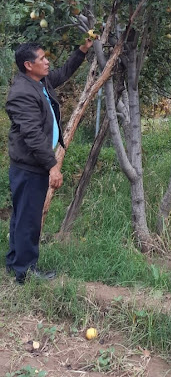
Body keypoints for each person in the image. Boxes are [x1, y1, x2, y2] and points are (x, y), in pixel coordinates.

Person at [5, 39, 93, 284]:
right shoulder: (21, 93)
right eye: (42, 59)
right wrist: (52, 166)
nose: (47, 61)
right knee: (29, 219)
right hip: (29, 166)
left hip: (32, 164)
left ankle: (15, 263)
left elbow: (63, 73)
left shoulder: (39, 82)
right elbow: (32, 135)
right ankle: (25, 271)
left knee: (22, 216)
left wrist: (82, 49)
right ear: (28, 65)